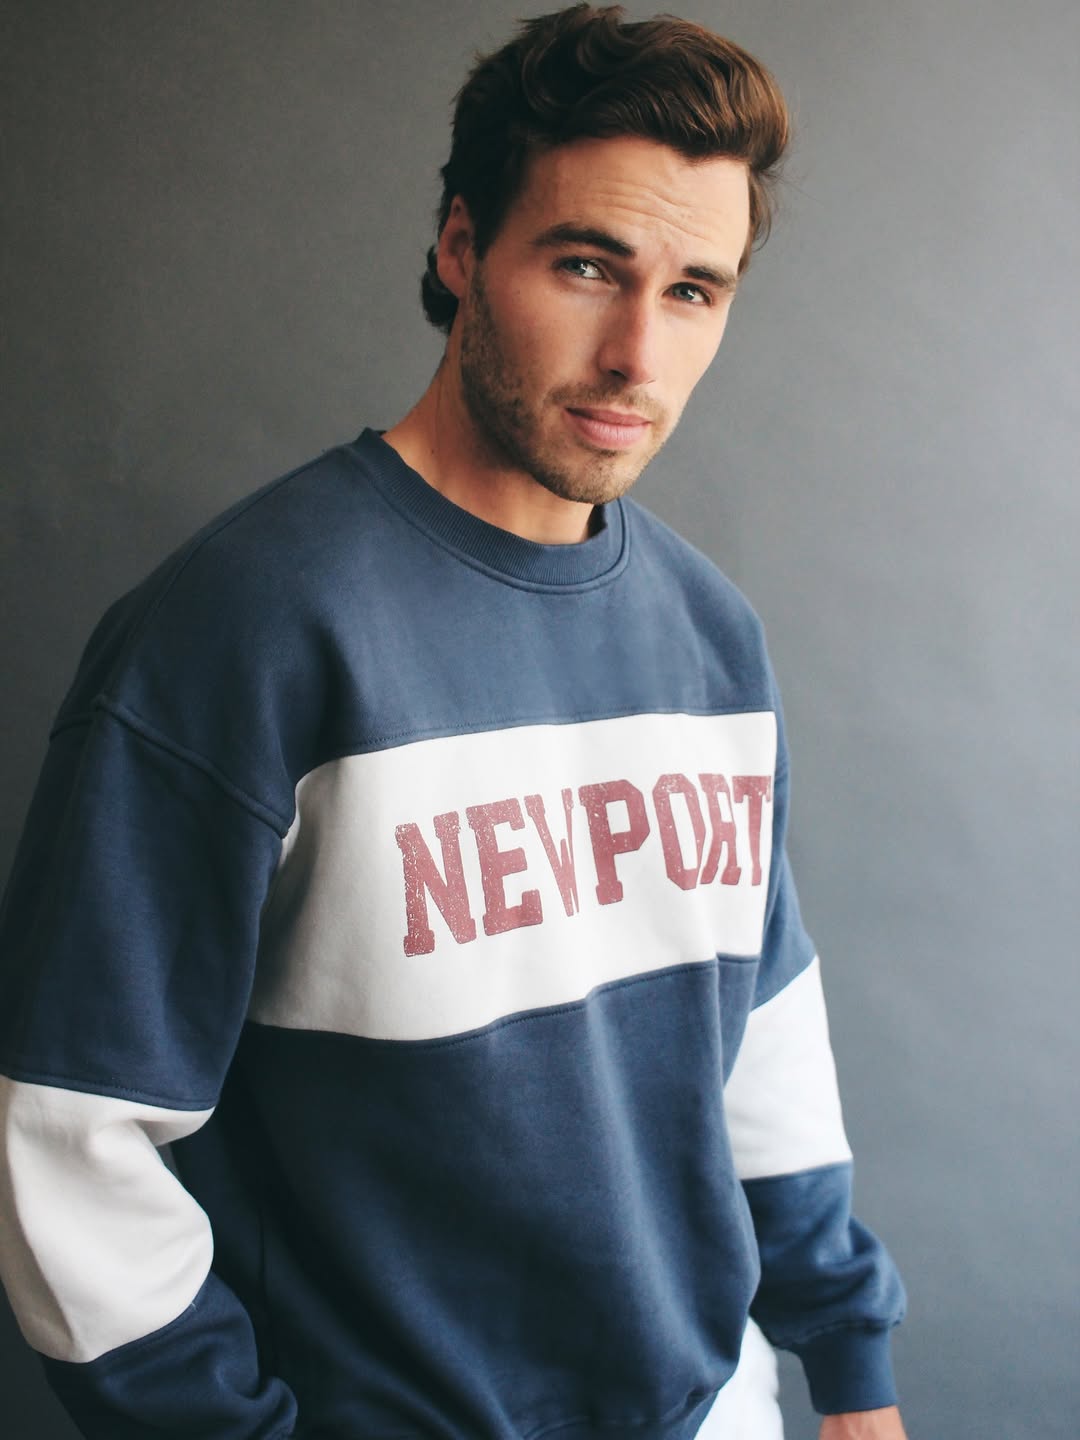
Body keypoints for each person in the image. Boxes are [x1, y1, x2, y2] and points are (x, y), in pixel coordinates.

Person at [0, 6, 909, 1438]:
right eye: (588, 266)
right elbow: (66, 1134)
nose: (637, 354)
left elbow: (762, 1040)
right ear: (459, 247)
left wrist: (847, 1366)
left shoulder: (710, 635)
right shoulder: (246, 628)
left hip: (713, 1409)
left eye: (693, 291)